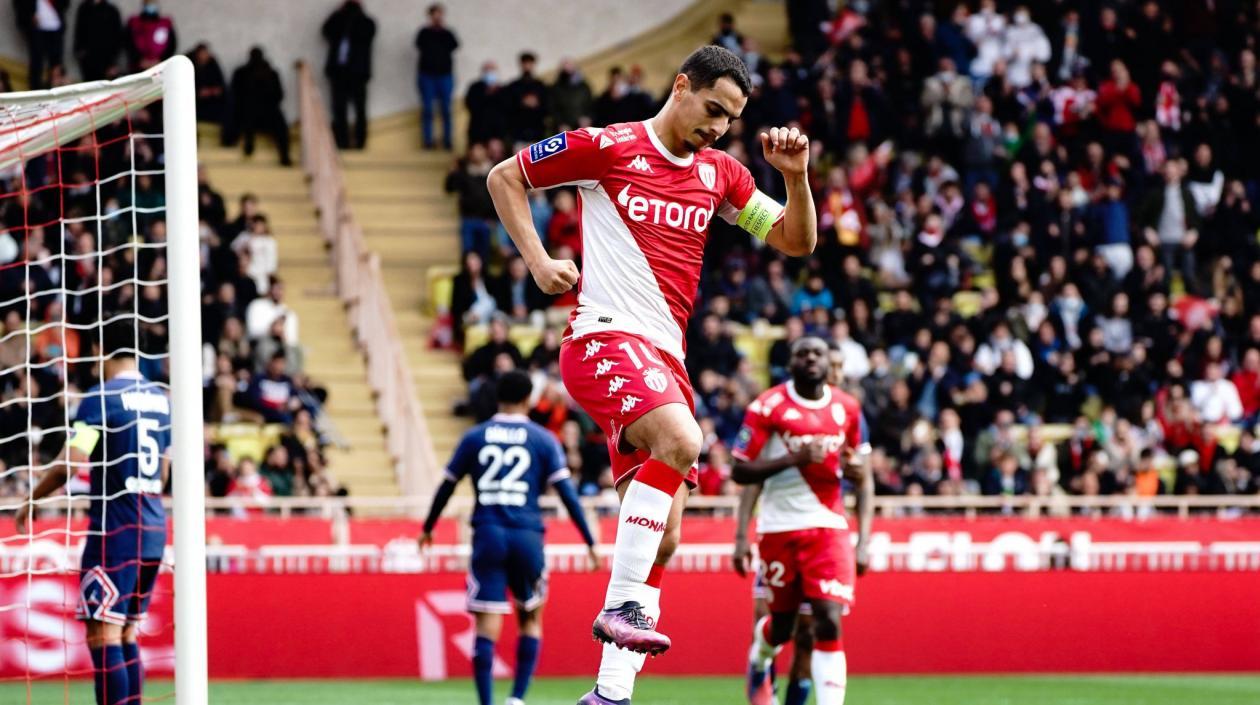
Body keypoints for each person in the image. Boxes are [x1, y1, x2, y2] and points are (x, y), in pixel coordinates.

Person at [486, 44, 818, 705]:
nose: (718, 127)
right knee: (684, 439)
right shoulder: (607, 147)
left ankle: (609, 693)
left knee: (665, 537)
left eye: (730, 120)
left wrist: (797, 178)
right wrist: (539, 260)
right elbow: (504, 177)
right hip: (603, 339)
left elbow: (795, 240)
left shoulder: (720, 174)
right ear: (682, 86)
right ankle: (620, 607)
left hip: (665, 362)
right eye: (713, 109)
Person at [421, 371, 598, 705]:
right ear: (528, 399)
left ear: (497, 397)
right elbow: (566, 493)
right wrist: (589, 540)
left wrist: (428, 527)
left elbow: (447, 485)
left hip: (488, 533)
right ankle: (516, 699)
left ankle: (487, 702)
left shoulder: (475, 436)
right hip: (527, 534)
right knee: (530, 618)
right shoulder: (543, 439)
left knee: (486, 624)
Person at [17, 323, 170, 705]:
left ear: (100, 347)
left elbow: (72, 461)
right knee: (126, 632)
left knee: (103, 635)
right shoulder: (161, 399)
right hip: (153, 529)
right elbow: (164, 470)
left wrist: (33, 499)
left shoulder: (102, 397)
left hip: (116, 531)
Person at [731, 337, 873, 705]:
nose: (811, 359)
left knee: (826, 620)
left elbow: (863, 476)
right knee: (783, 627)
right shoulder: (767, 406)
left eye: (818, 353)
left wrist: (865, 539)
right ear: (790, 362)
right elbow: (741, 471)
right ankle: (760, 657)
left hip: (829, 526)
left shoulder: (848, 409)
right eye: (802, 353)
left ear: (829, 363)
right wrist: (794, 459)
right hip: (778, 528)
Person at [322, 0, 376, 150]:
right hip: (339, 72)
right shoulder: (338, 20)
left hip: (358, 72)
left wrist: (353, 14)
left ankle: (360, 141)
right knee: (339, 108)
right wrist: (340, 13)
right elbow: (326, 30)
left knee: (359, 108)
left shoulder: (366, 22)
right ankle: (342, 141)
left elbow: (366, 34)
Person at [230, 47, 293, 166]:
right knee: (246, 115)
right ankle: (248, 145)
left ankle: (284, 156)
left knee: (280, 127)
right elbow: (237, 95)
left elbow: (278, 95)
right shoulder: (243, 73)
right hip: (251, 112)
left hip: (266, 112)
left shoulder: (270, 73)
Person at [415, 2, 459, 150]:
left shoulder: (447, 33)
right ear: (430, 16)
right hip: (427, 76)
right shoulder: (424, 33)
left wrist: (442, 29)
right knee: (428, 109)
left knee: (446, 109)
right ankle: (428, 141)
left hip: (445, 76)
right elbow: (419, 45)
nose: (437, 17)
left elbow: (455, 45)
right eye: (435, 14)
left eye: (440, 14)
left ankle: (447, 141)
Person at [14, 0, 68, 89]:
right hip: (35, 26)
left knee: (56, 62)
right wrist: (29, 15)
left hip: (55, 25)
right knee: (37, 61)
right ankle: (35, 89)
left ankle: (57, 87)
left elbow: (64, 4)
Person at [73, 0, 122, 82]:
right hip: (88, 60)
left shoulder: (111, 10)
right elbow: (79, 31)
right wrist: (79, 52)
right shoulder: (84, 8)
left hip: (106, 59)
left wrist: (113, 61)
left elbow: (117, 36)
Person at [124, 0, 175, 72]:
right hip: (138, 67)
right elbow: (128, 43)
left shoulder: (165, 23)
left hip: (160, 66)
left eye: (152, 4)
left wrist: (161, 60)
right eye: (148, 4)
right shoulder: (134, 22)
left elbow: (171, 44)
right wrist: (139, 60)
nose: (151, 7)